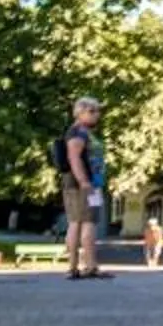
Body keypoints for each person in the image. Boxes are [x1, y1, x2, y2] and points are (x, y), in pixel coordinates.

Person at [56, 98, 107, 281]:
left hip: (85, 183)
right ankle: (89, 266)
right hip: (83, 184)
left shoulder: (84, 132)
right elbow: (74, 157)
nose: (96, 114)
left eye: (97, 111)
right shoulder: (77, 133)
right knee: (86, 223)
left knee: (78, 222)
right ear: (80, 112)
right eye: (92, 111)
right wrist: (84, 181)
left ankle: (76, 267)